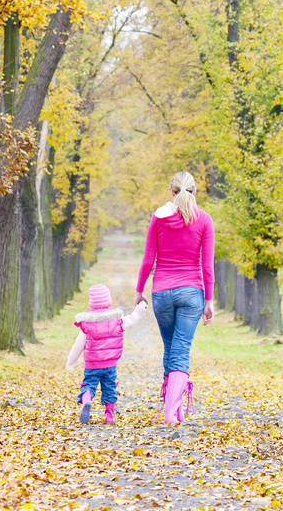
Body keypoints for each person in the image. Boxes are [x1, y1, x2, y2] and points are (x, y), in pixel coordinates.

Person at [135, 171, 215, 425]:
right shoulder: (204, 220)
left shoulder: (158, 219)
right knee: (180, 351)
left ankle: (175, 409)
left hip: (161, 293)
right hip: (192, 293)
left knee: (171, 349)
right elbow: (207, 266)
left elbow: (149, 259)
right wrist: (210, 301)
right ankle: (171, 412)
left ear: (172, 192)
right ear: (195, 192)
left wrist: (139, 291)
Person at [66, 283, 146, 425]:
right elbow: (133, 319)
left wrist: (71, 361)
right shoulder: (117, 320)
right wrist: (140, 309)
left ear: (92, 304)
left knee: (88, 385)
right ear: (108, 301)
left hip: (92, 365)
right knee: (109, 389)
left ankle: (87, 401)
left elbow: (78, 344)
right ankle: (109, 416)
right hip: (110, 365)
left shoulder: (88, 323)